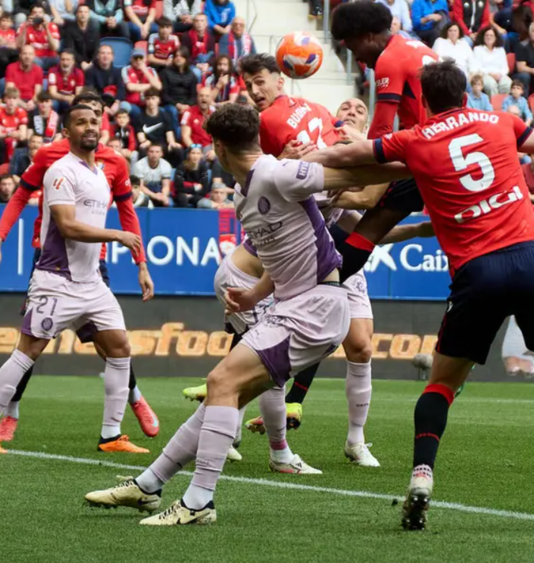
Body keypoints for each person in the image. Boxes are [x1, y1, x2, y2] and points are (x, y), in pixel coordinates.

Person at [306, 59, 534, 532]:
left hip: (476, 272)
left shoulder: (416, 139)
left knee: (441, 384)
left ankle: (422, 477)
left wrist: (299, 159)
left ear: (424, 101)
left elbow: (347, 157)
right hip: (529, 258)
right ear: (467, 94)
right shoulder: (501, 121)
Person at [84, 101, 404, 524]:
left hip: (317, 308)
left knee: (220, 381)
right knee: (221, 397)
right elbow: (285, 252)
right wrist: (254, 295)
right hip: (292, 305)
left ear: (217, 147)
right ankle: (149, 485)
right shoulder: (245, 190)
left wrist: (418, 163)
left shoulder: (278, 173)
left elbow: (354, 175)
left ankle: (199, 502)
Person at [0, 104, 152, 455]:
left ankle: (111, 435)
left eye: (94, 122)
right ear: (66, 132)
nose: (89, 127)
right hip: (56, 280)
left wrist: (139, 261)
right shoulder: (59, 171)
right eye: (80, 122)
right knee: (29, 351)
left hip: (92, 282)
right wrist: (117, 237)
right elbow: (67, 226)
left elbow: (124, 210)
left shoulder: (102, 171)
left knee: (120, 349)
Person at [327, 0, 440, 280]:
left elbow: (381, 130)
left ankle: (323, 289)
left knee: (369, 225)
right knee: (371, 224)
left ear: (368, 37)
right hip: (443, 144)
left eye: (355, 49)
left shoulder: (389, 60)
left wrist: (361, 171)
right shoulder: (415, 46)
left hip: (425, 150)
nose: (359, 59)